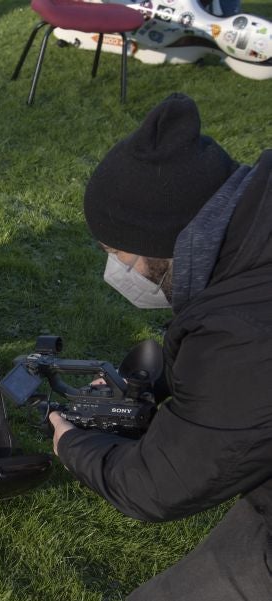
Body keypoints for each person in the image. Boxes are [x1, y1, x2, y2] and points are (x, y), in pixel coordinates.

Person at [49, 93, 272, 600]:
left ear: (165, 243)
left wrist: (73, 445)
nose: (116, 269)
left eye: (116, 252)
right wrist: (168, 380)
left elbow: (160, 485)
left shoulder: (242, 335)